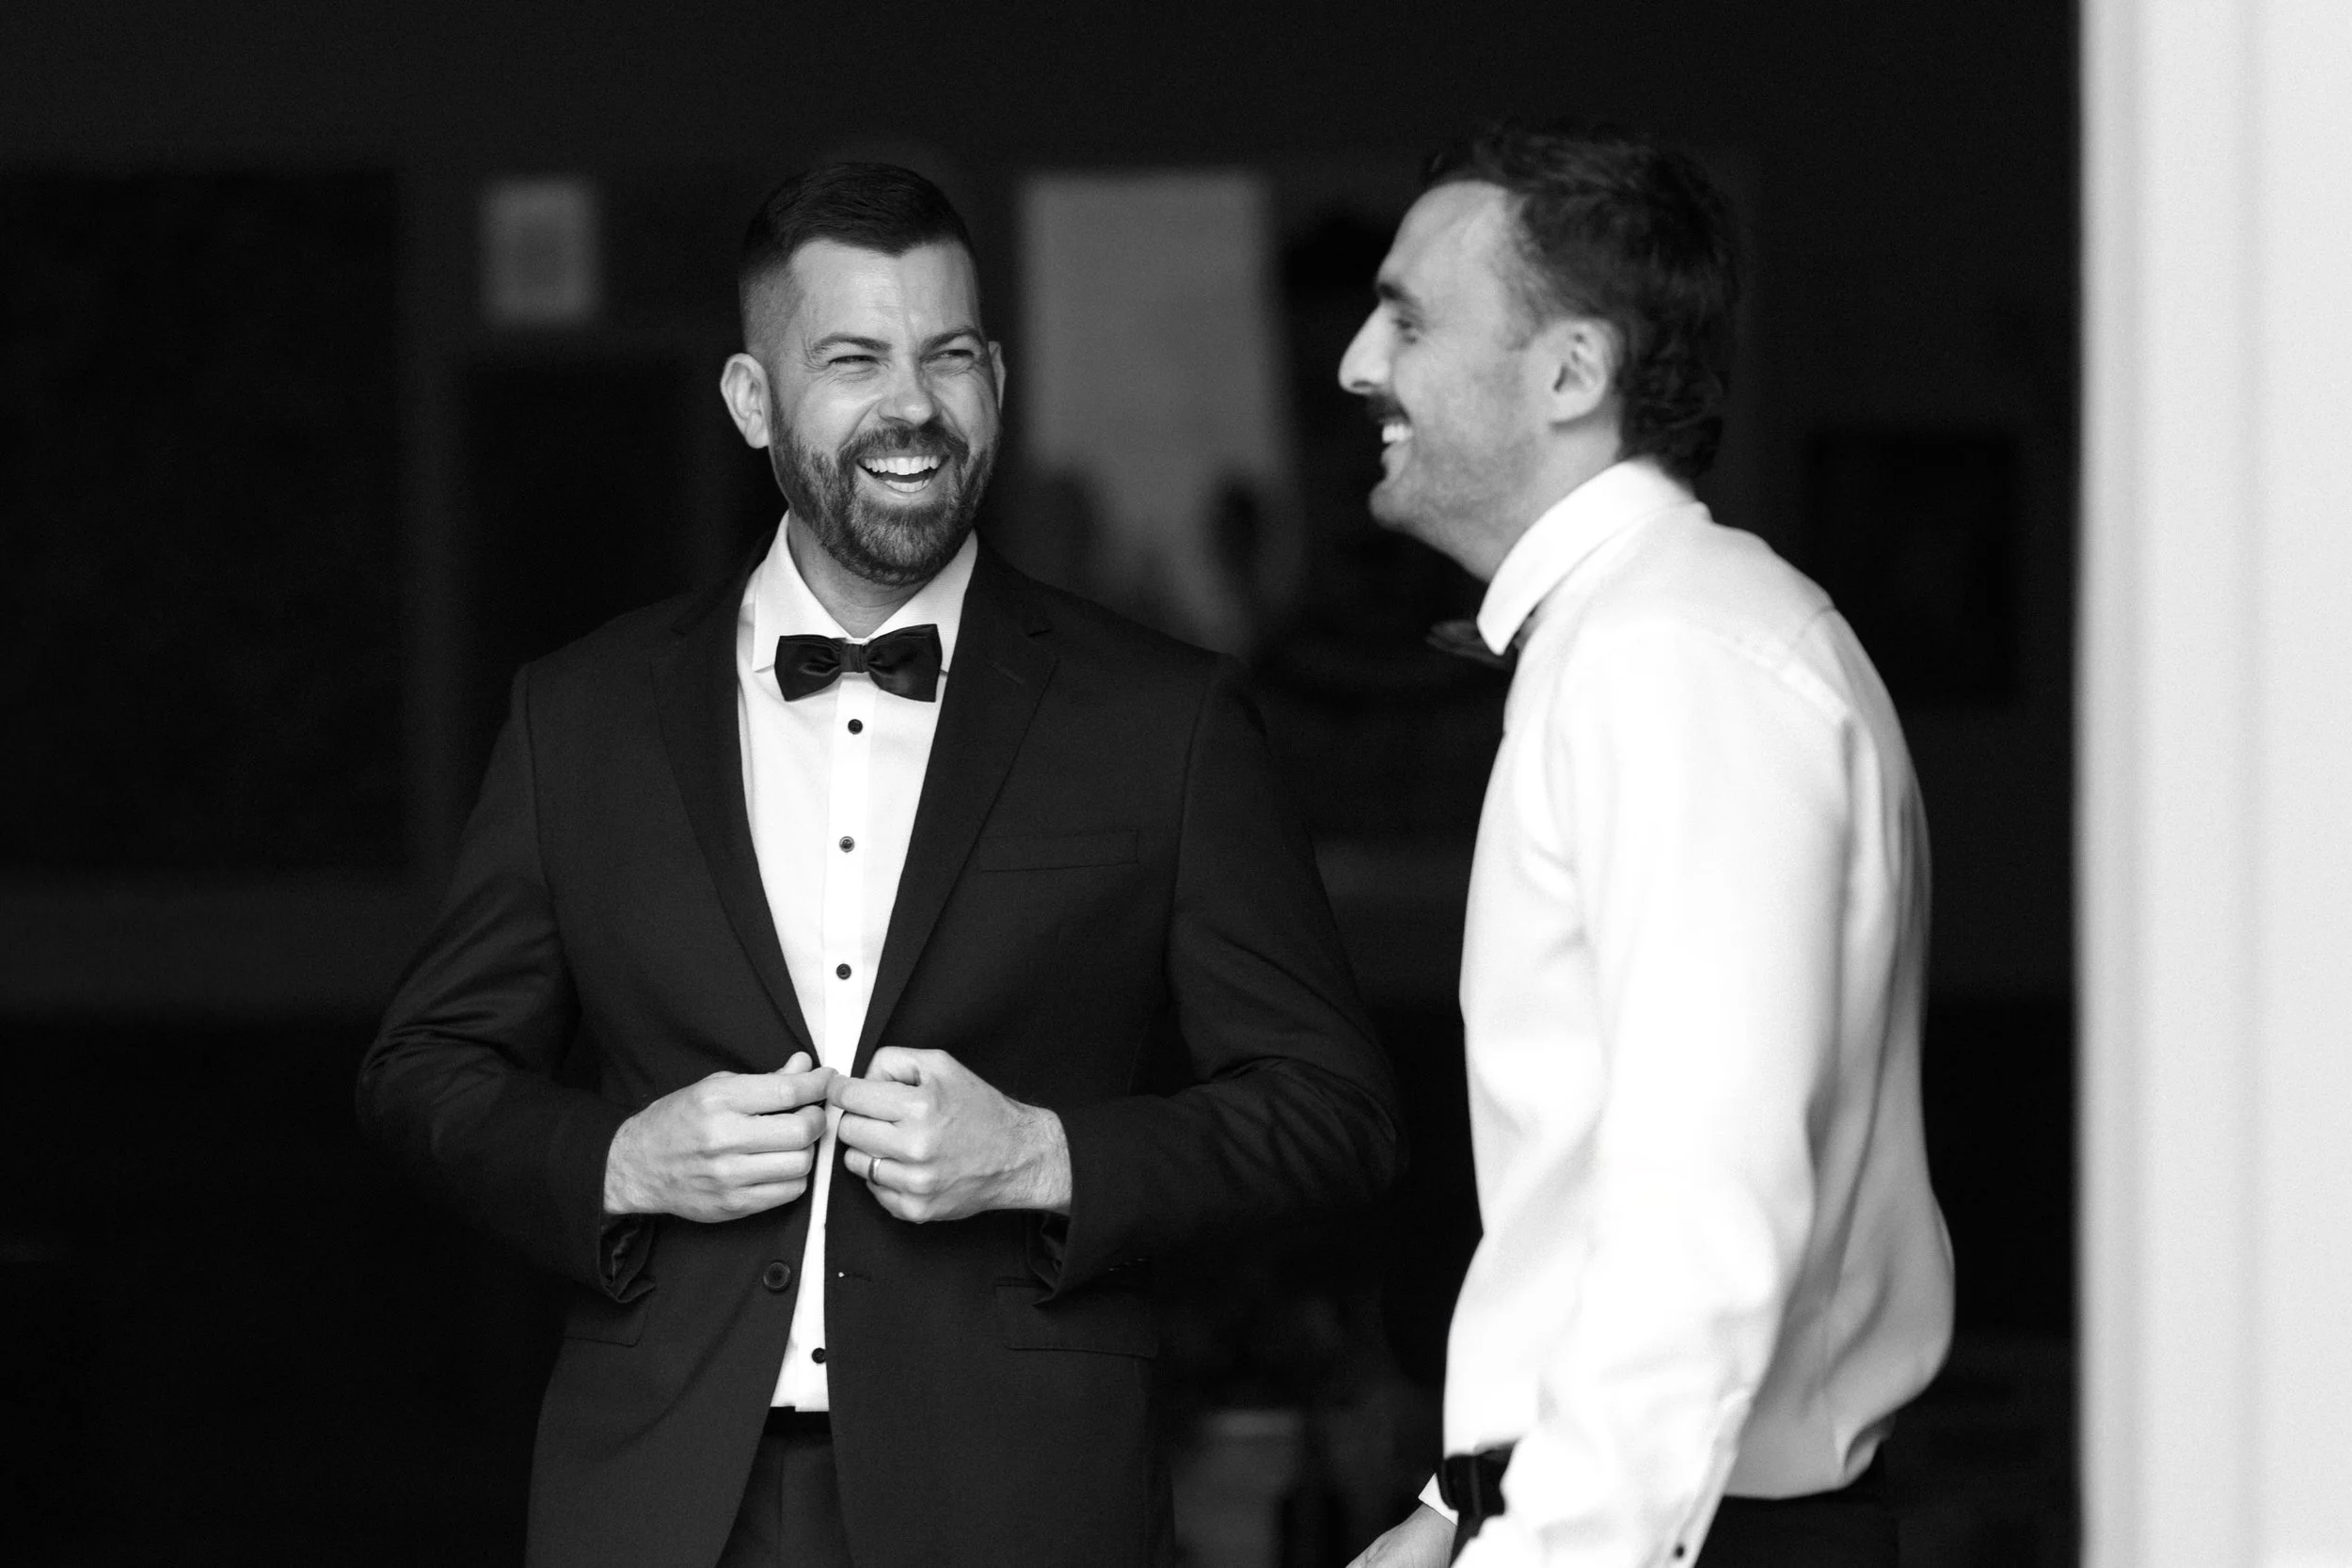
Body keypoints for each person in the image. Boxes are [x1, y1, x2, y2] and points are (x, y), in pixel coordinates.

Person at [357, 162, 1401, 1568]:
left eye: (949, 355)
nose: (913, 404)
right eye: (854, 359)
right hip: (661, 1501)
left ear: (999, 379)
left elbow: (1332, 1109)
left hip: (1023, 1501)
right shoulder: (581, 714)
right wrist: (615, 1156)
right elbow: (422, 1070)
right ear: (750, 400)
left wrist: (1046, 1154)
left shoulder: (1167, 718)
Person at [1339, 124, 1953, 1568]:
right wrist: (1457, 1503)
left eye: (1410, 319)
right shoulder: (1641, 636)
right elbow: (1603, 1191)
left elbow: (1703, 1205)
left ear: (1571, 372)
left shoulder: (1676, 656)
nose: (1360, 362)